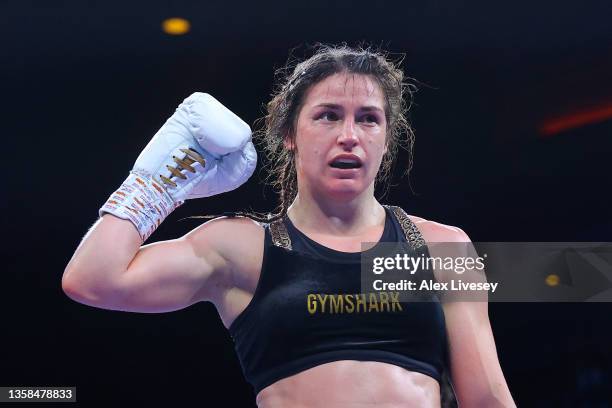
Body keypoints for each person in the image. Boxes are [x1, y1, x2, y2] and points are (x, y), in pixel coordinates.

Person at [62, 44, 516, 407]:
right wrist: (155, 187)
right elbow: (94, 281)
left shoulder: (442, 247)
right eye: (328, 115)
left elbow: (487, 398)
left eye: (368, 119)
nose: (349, 135)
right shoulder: (242, 248)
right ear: (289, 135)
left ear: (386, 140)